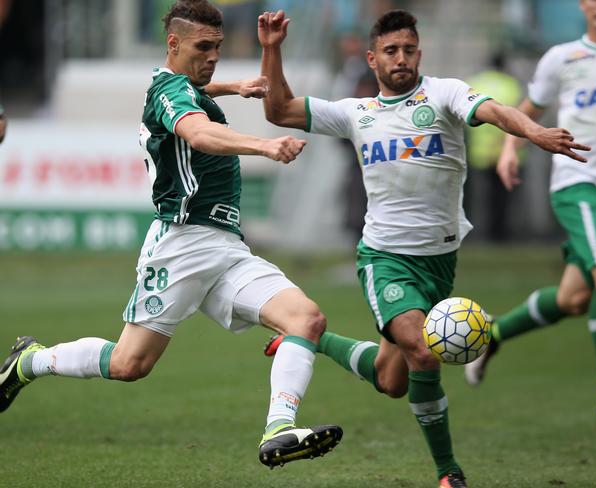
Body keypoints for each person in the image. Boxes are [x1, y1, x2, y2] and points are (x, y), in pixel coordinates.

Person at [0, 0, 343, 468]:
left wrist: (232, 85)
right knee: (129, 365)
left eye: (218, 47)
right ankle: (30, 361)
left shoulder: (184, 86)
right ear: (173, 43)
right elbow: (199, 134)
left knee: (306, 319)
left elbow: (194, 89)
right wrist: (264, 144)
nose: (213, 56)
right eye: (203, 47)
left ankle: (278, 429)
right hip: (180, 245)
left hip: (226, 246)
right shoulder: (170, 95)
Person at [257, 9, 589, 487]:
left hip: (439, 262)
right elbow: (278, 109)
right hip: (384, 259)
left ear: (419, 52)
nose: (401, 59)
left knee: (392, 381)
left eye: (409, 50)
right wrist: (271, 49)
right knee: (426, 352)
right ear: (372, 59)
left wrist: (533, 132)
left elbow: (492, 110)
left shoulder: (445, 93)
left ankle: (310, 339)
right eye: (391, 51)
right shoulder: (357, 113)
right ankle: (448, 472)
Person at [465, 0, 596, 430]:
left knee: (574, 299)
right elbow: (530, 110)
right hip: (579, 183)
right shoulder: (562, 58)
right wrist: (511, 147)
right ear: (583, 4)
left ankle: (492, 336)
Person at [465, 52, 523, 241]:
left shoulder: (476, 82)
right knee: (503, 196)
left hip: (480, 152)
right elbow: (518, 117)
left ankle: (481, 231)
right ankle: (501, 233)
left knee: (481, 196)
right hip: (504, 151)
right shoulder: (511, 85)